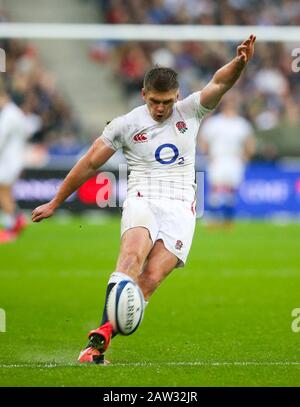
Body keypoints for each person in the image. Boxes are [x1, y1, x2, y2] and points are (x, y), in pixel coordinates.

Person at [32, 35, 256, 364]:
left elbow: (220, 83)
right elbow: (91, 162)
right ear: (143, 95)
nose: (161, 108)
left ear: (176, 96)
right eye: (154, 101)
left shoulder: (190, 110)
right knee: (131, 259)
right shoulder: (126, 125)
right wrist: (55, 201)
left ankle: (103, 334)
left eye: (166, 101)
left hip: (181, 208)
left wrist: (239, 63)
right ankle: (94, 350)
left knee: (149, 280)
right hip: (143, 198)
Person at [198, 98, 256, 228]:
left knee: (231, 190)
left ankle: (228, 220)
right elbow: (203, 139)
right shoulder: (215, 122)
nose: (230, 107)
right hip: (218, 158)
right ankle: (213, 219)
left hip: (234, 159)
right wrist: (207, 153)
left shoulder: (241, 124)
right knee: (216, 189)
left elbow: (249, 141)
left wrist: (246, 156)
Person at [0, 85, 29, 243]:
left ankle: (12, 227)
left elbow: (1, 138)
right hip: (16, 158)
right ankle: (17, 220)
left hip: (8, 160)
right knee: (6, 192)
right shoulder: (17, 113)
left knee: (3, 192)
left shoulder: (8, 114)